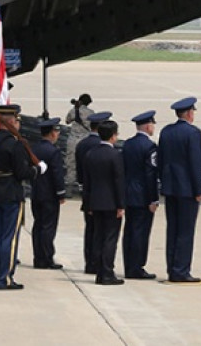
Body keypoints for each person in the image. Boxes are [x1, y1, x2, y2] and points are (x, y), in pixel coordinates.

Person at [0, 103, 47, 290]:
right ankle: (5, 278)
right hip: (11, 192)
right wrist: (37, 170)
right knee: (9, 238)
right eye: (17, 121)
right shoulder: (15, 144)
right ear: (12, 121)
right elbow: (22, 173)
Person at [159, 97, 201, 283]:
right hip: (187, 189)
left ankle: (172, 267)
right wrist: (198, 188)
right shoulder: (193, 133)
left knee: (173, 230)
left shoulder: (166, 131)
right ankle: (181, 270)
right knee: (185, 231)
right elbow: (195, 163)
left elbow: (160, 159)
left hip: (170, 188)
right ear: (189, 113)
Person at [83, 118, 125, 285]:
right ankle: (107, 272)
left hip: (95, 202)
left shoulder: (91, 154)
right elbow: (118, 181)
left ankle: (99, 270)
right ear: (113, 136)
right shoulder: (115, 155)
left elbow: (87, 182)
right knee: (110, 239)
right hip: (111, 203)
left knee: (98, 237)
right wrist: (121, 204)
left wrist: (88, 204)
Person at [122, 110, 160, 280]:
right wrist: (153, 198)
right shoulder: (150, 147)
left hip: (128, 193)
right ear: (147, 125)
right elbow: (150, 174)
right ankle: (137, 267)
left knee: (129, 231)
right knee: (140, 233)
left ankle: (129, 265)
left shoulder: (128, 144)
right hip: (142, 196)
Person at [31, 118, 66, 270]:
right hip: (49, 194)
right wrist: (61, 193)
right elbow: (57, 174)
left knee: (38, 225)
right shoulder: (54, 151)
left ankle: (38, 257)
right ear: (52, 133)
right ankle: (46, 258)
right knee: (48, 227)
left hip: (36, 192)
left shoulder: (34, 148)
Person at [76, 111, 108, 275]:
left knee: (90, 229)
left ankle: (89, 261)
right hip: (102, 193)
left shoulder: (82, 144)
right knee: (101, 231)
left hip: (86, 192)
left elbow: (79, 173)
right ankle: (98, 262)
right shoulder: (102, 146)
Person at [64, 93, 94, 196]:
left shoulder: (73, 111)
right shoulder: (91, 113)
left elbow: (67, 120)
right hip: (85, 140)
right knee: (85, 164)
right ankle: (84, 187)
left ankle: (69, 189)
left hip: (73, 140)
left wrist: (75, 109)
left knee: (71, 164)